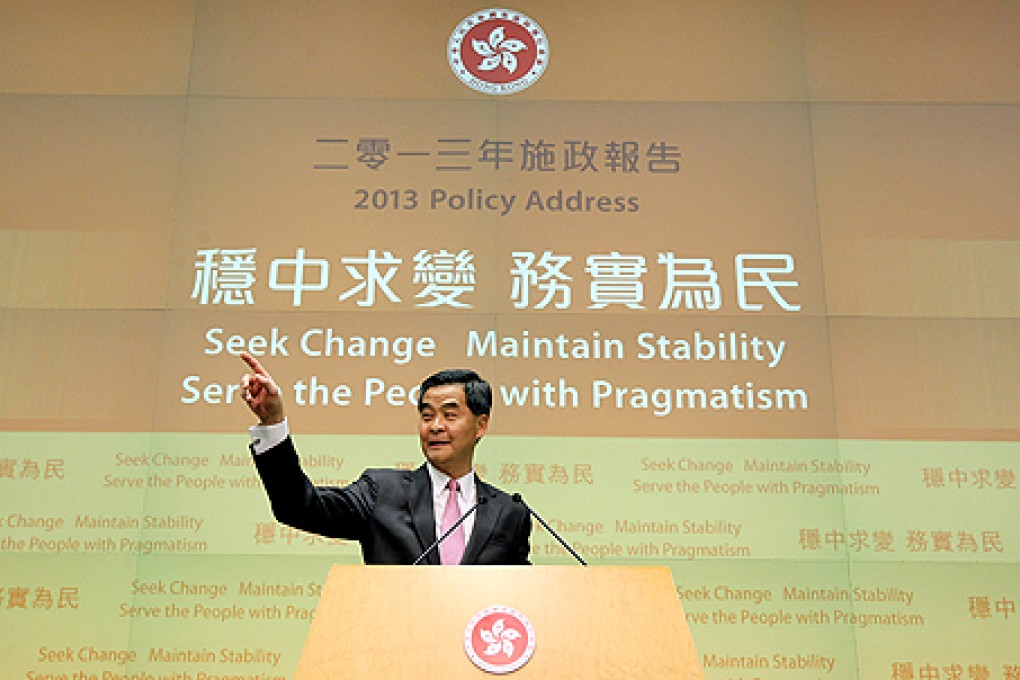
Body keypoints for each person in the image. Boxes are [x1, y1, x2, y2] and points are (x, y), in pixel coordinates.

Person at [239, 352, 531, 565]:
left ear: (481, 425)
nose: (436, 426)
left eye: (450, 415)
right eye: (427, 415)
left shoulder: (509, 513)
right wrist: (272, 422)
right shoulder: (381, 491)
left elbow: (520, 597)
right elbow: (299, 508)